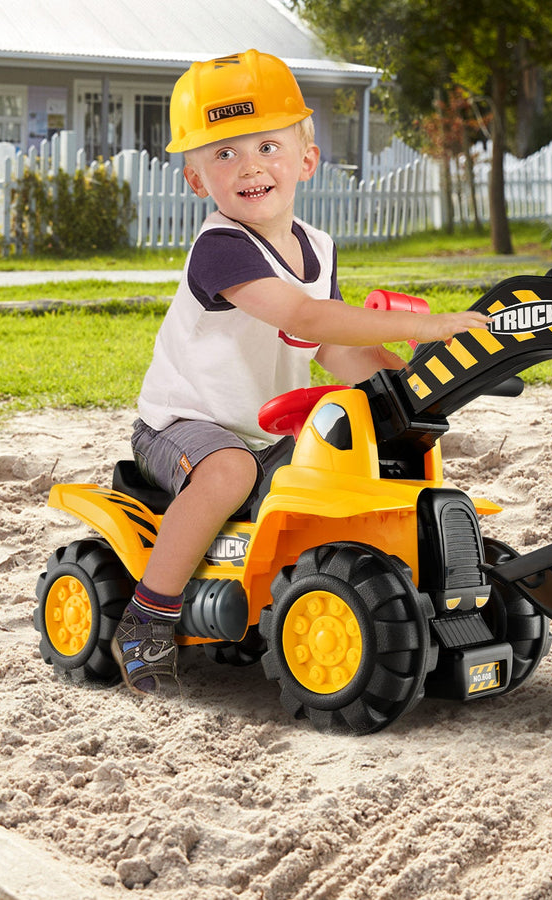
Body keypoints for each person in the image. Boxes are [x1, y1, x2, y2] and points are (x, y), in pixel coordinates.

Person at [111, 49, 491, 697]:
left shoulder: (318, 247)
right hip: (186, 425)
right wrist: (424, 325)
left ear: (307, 161)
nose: (250, 165)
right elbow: (305, 315)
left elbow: (332, 348)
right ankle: (147, 617)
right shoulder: (220, 248)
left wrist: (405, 384)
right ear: (197, 180)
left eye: (267, 145)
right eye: (224, 154)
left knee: (351, 460)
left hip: (266, 430)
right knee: (227, 470)